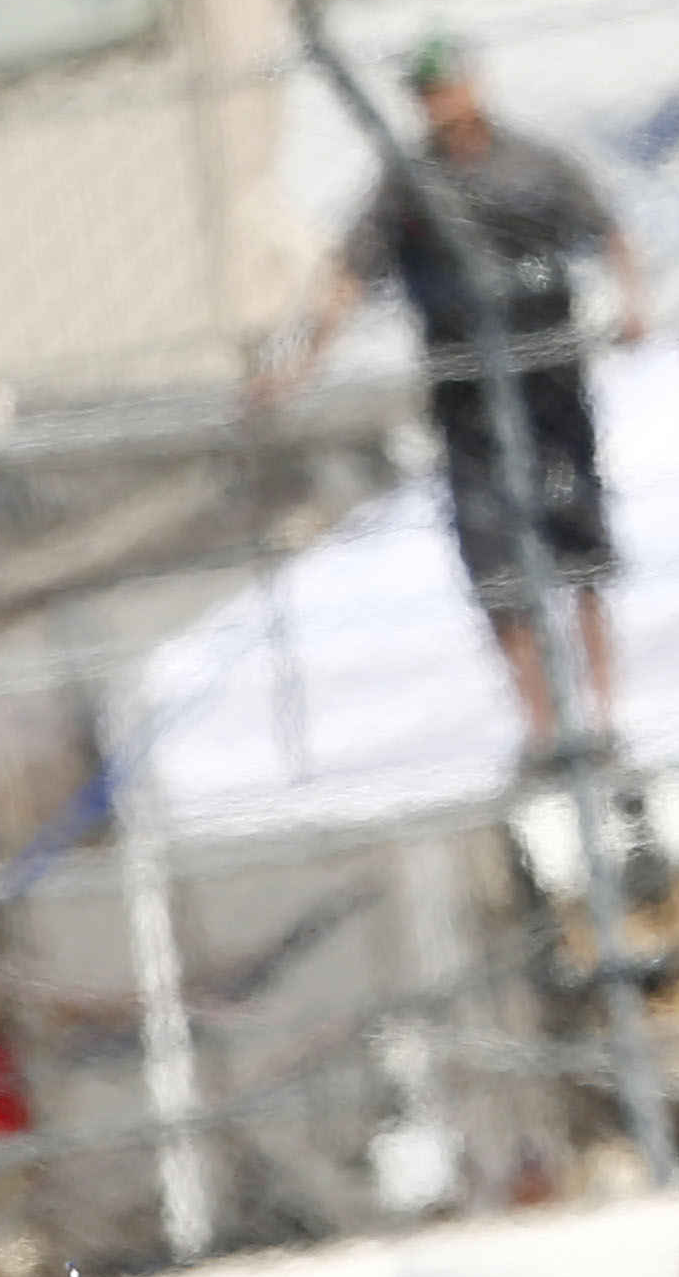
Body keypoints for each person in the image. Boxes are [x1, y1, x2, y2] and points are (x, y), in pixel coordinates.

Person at [261, 38, 649, 769]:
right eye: (423, 91)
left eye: (444, 85)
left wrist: (634, 305)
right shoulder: (407, 187)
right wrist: (300, 363)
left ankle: (600, 720)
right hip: (468, 400)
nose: (436, 101)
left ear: (473, 85)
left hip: (549, 386)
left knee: (580, 553)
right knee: (495, 566)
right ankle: (541, 728)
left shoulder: (534, 164)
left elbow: (608, 230)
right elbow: (349, 273)